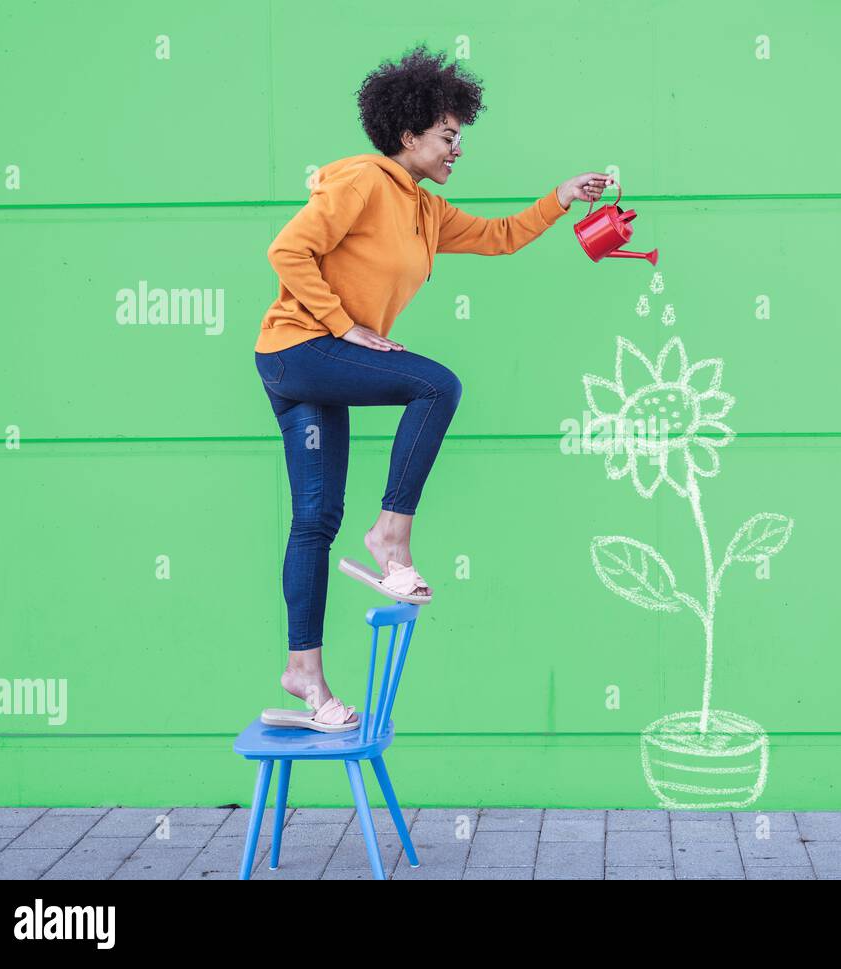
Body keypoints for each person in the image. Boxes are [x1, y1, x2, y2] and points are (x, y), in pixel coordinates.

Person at [253, 44, 613, 728]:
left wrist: (561, 198)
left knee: (314, 519)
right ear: (409, 133)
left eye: (460, 138)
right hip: (297, 349)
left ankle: (304, 673)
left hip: (315, 369)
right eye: (449, 137)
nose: (457, 150)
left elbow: (501, 236)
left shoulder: (425, 209)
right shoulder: (362, 179)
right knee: (436, 384)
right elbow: (286, 250)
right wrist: (344, 325)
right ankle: (391, 537)